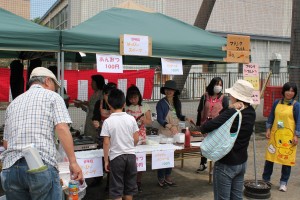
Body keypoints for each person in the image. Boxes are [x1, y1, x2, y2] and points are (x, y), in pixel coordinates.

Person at [0, 67, 83, 200]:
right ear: (47, 81)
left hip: (10, 169)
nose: (55, 90)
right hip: (39, 166)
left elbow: (6, 143)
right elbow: (62, 128)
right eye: (54, 87)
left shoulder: (13, 103)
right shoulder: (53, 97)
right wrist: (73, 162)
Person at [199, 79, 256, 200]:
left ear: (236, 96)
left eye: (232, 93)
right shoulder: (251, 112)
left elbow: (206, 127)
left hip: (226, 163)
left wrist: (229, 108)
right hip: (241, 162)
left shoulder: (233, 112)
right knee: (236, 197)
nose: (230, 95)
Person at [101, 88, 139, 200]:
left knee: (117, 190)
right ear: (124, 104)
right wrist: (130, 146)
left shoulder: (108, 121)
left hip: (116, 158)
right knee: (129, 188)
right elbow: (136, 138)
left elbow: (106, 142)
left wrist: (106, 160)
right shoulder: (131, 119)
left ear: (109, 105)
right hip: (131, 157)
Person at [262, 82, 300, 192]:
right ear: (283, 91)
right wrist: (268, 129)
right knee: (270, 158)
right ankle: (266, 179)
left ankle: (283, 182)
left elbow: (298, 121)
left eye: (292, 91)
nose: (290, 93)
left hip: (289, 137)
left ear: (295, 93)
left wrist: (296, 135)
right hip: (275, 135)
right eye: (288, 90)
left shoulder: (296, 105)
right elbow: (271, 116)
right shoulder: (276, 102)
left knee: (286, 160)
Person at [156, 80, 192, 188]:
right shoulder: (161, 103)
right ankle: (161, 178)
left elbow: (179, 115)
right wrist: (169, 125)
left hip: (174, 133)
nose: (169, 91)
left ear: (175, 92)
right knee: (163, 156)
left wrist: (185, 118)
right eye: (167, 89)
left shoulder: (177, 102)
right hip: (164, 133)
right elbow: (159, 119)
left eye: (171, 90)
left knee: (171, 155)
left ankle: (168, 176)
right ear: (164, 91)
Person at [196, 77, 229, 172]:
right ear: (212, 85)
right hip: (205, 125)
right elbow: (199, 110)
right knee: (204, 145)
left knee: (216, 146)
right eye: (217, 84)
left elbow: (226, 112)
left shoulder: (224, 98)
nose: (218, 86)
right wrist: (198, 125)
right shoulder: (205, 96)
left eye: (220, 85)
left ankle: (216, 166)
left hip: (217, 126)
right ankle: (203, 163)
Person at [125, 85, 152, 192]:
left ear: (139, 96)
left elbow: (150, 121)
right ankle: (129, 182)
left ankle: (138, 182)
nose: (133, 100)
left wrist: (144, 120)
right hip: (128, 136)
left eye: (135, 98)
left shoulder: (145, 106)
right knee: (129, 160)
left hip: (141, 136)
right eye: (130, 98)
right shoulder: (126, 107)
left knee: (140, 159)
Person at [75, 74, 105, 141]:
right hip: (89, 122)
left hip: (96, 123)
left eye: (93, 82)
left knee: (96, 141)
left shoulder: (102, 94)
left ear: (98, 83)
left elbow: (97, 109)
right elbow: (89, 110)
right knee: (88, 140)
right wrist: (81, 105)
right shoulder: (94, 94)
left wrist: (85, 103)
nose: (91, 84)